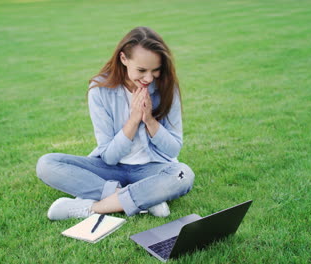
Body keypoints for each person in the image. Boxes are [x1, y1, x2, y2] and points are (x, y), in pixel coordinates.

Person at [36, 26, 195, 220]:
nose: (148, 78)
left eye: (156, 71)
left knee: (183, 174)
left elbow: (173, 150)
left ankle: (95, 207)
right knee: (46, 164)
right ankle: (146, 197)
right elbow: (109, 157)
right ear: (123, 59)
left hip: (152, 169)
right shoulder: (99, 90)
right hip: (109, 169)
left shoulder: (167, 88)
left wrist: (149, 120)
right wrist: (134, 120)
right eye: (141, 70)